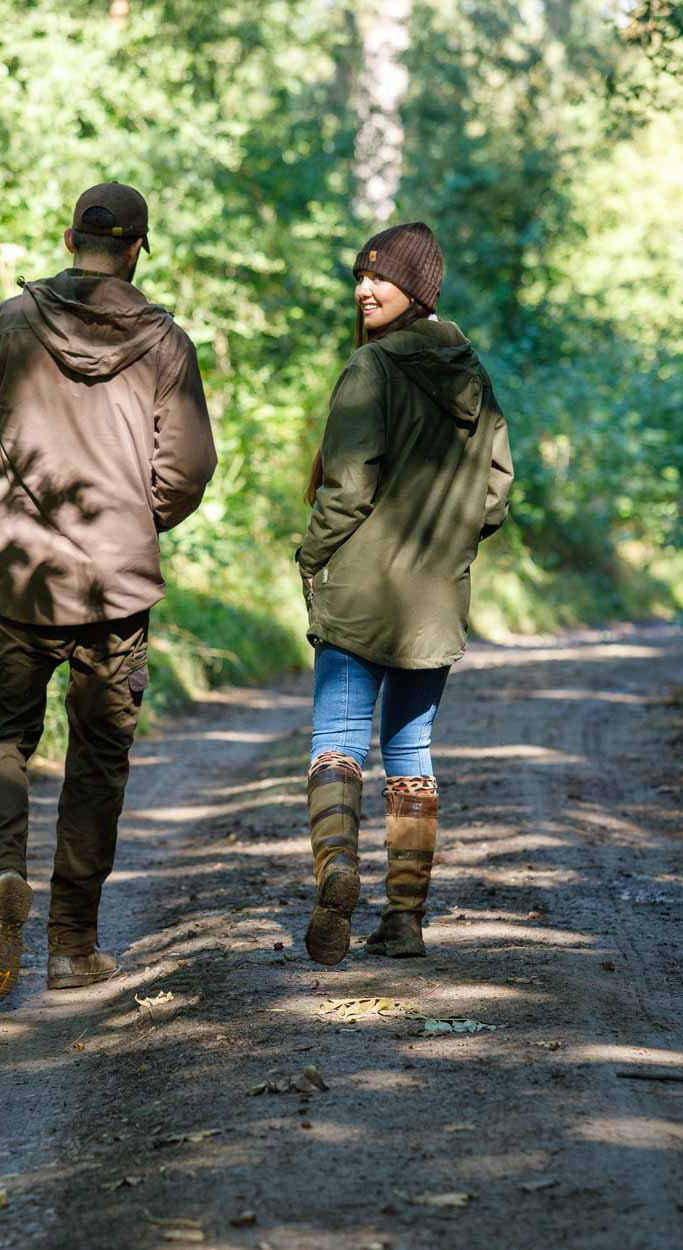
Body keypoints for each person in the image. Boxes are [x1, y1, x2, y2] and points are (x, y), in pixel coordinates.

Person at [0, 182, 217, 1004]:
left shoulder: (7, 325)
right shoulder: (166, 344)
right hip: (117, 582)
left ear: (71, 236)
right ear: (139, 246)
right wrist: (139, 515)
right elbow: (190, 467)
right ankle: (72, 947)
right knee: (98, 761)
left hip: (22, 573)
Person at [297, 222, 513, 966]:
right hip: (434, 599)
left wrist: (309, 555)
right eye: (359, 276)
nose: (364, 288)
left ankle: (338, 871)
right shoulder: (471, 372)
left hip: (359, 589)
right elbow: (495, 496)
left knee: (336, 748)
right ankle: (404, 921)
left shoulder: (373, 370)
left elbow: (347, 488)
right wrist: (448, 542)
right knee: (411, 753)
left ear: (415, 290)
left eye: (380, 279)